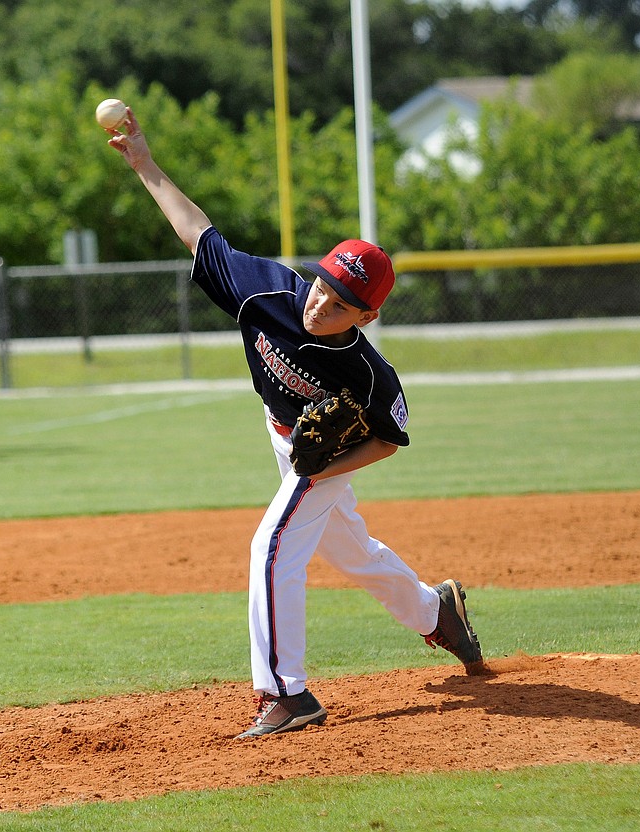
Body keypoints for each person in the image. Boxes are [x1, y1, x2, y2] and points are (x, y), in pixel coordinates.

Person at [106, 108, 482, 739]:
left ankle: (287, 693)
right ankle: (435, 610)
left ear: (365, 318)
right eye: (321, 287)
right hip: (283, 435)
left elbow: (388, 439)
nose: (320, 306)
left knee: (272, 546)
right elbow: (198, 233)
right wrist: (144, 163)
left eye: (340, 306)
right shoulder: (268, 292)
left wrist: (325, 470)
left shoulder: (370, 375)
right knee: (349, 550)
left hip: (329, 458)